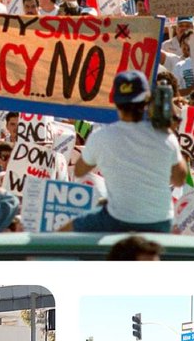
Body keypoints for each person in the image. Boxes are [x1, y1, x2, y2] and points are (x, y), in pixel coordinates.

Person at [69, 72, 187, 234]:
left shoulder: (101, 136)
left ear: (116, 103)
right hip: (160, 223)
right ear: (146, 101)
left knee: (60, 234)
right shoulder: (166, 137)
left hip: (117, 220)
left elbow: (79, 170)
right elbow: (179, 180)